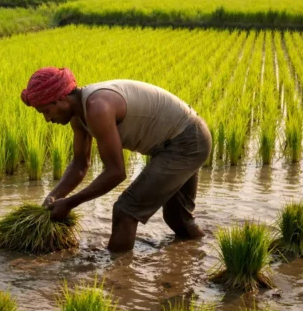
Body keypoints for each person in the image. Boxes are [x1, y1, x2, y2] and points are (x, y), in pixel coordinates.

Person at [20, 67, 211, 252]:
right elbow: (80, 164)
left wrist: (70, 203)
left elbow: (116, 173)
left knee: (125, 211)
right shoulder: (79, 116)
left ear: (61, 99)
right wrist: (55, 195)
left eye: (46, 111)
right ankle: (200, 252)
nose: (47, 119)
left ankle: (116, 275)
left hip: (187, 141)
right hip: (179, 141)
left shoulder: (97, 107)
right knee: (177, 218)